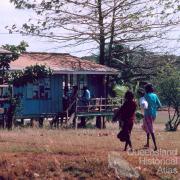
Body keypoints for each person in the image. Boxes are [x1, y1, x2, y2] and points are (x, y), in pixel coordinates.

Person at [143, 83, 161, 151]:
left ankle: (155, 146)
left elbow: (143, 105)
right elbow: (159, 105)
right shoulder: (155, 95)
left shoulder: (145, 96)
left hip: (147, 114)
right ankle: (147, 143)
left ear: (146, 89)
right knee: (148, 127)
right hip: (154, 115)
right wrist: (154, 108)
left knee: (150, 129)